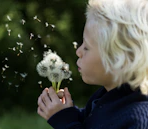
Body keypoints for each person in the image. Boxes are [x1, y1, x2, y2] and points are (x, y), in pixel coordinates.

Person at [37, 0, 148, 128]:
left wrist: (65, 122)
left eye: (86, 47)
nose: (78, 51)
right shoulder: (106, 96)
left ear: (119, 59)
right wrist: (67, 112)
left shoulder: (138, 120)